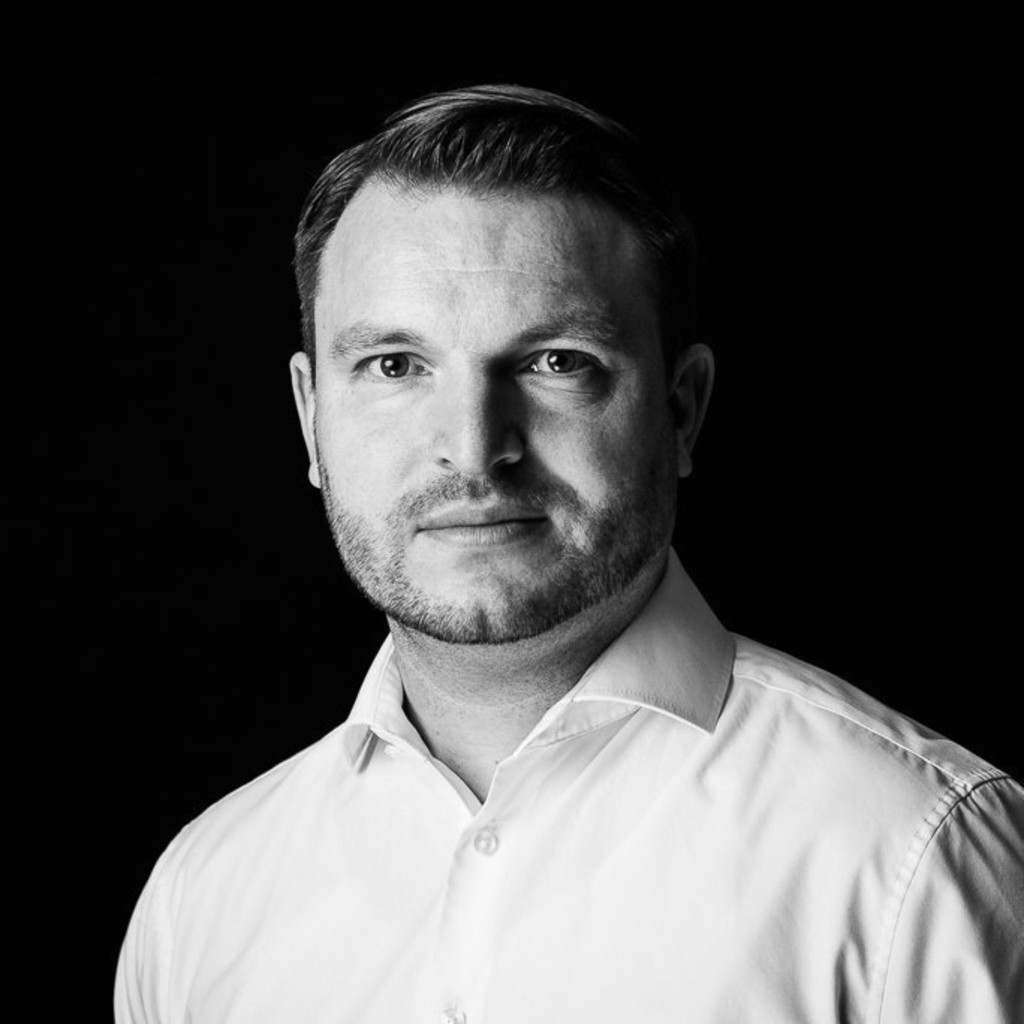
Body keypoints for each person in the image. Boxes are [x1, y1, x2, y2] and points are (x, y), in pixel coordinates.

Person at [115, 85, 1023, 1023]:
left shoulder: (917, 858)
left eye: (555, 362)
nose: (473, 450)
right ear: (311, 418)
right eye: (395, 365)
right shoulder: (200, 906)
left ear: (681, 409)